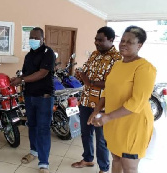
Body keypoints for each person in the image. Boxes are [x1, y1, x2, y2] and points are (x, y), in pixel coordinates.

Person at [88, 26, 156, 173]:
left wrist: (107, 117)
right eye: (123, 40)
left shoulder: (145, 68)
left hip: (133, 125)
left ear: (140, 45)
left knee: (129, 166)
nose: (123, 44)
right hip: (114, 122)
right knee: (116, 160)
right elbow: (108, 89)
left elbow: (137, 102)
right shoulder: (118, 64)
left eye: (129, 42)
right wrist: (97, 110)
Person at [72, 26, 122, 173]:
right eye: (95, 39)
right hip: (86, 100)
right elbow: (84, 72)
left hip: (103, 104)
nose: (96, 42)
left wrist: (90, 82)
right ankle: (88, 159)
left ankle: (104, 168)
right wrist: (80, 75)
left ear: (111, 40)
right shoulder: (94, 54)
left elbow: (112, 83)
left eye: (100, 40)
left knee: (101, 139)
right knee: (85, 132)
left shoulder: (117, 59)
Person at [10, 27, 55, 173]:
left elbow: (42, 73)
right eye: (31, 37)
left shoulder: (48, 53)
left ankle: (44, 163)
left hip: (43, 98)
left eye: (36, 37)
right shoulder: (29, 55)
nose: (33, 40)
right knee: (32, 126)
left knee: (43, 129)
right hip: (29, 96)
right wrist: (18, 79)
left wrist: (21, 80)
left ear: (43, 39)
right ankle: (34, 152)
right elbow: (25, 74)